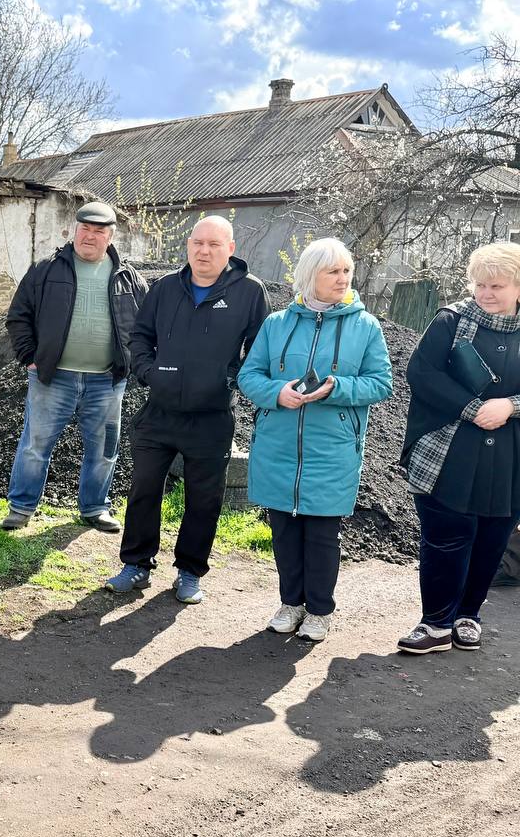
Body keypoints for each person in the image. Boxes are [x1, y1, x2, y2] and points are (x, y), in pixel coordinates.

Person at [106, 216, 270, 603]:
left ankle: (190, 572)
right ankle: (136, 565)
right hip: (159, 411)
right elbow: (140, 335)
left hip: (211, 417)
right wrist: (148, 372)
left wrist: (230, 380)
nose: (204, 251)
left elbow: (259, 347)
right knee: (144, 488)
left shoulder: (250, 291)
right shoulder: (166, 288)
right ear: (188, 246)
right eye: (198, 243)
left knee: (204, 498)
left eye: (214, 244)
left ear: (231, 249)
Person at [237, 238, 393, 641]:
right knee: (284, 532)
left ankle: (320, 612)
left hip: (333, 449)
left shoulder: (366, 327)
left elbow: (381, 384)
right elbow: (248, 376)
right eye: (333, 271)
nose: (343, 278)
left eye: (346, 271)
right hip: (278, 444)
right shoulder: (276, 324)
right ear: (310, 275)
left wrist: (336, 387)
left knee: (323, 536)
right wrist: (277, 393)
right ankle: (291, 604)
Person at [397, 241, 520, 654]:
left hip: (511, 455)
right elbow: (422, 373)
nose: (486, 294)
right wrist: (472, 408)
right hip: (448, 449)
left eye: (496, 286)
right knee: (445, 537)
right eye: (480, 285)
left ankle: (468, 616)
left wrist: (511, 405)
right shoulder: (451, 320)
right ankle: (435, 624)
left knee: (492, 539)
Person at [1, 201, 148, 532]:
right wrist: (30, 357)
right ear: (74, 230)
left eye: (98, 231)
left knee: (104, 449)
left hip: (106, 381)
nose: (89, 236)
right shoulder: (45, 270)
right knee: (35, 445)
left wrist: (132, 362)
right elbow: (18, 316)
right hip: (53, 378)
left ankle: (95, 508)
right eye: (85, 228)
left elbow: (146, 326)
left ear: (111, 237)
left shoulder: (128, 278)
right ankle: (21, 508)